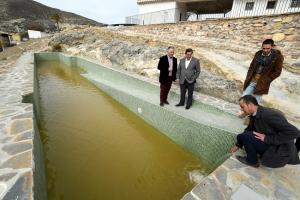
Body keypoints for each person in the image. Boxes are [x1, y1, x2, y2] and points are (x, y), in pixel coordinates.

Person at [231, 95, 300, 168]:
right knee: (244, 135)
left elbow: (295, 132)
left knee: (246, 136)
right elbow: (249, 129)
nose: (241, 109)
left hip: (278, 150)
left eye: (242, 107)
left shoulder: (269, 115)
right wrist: (238, 144)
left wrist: (267, 138)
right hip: (272, 144)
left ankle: (252, 161)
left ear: (250, 105)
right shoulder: (255, 113)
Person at [242, 39, 284, 104]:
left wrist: (267, 80)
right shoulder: (258, 54)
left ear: (272, 47)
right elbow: (251, 66)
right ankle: (244, 112)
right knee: (243, 99)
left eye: (268, 48)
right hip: (252, 81)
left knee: (256, 103)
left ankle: (255, 114)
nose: (265, 50)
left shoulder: (277, 57)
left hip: (262, 83)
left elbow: (277, 72)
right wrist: (249, 76)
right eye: (263, 48)